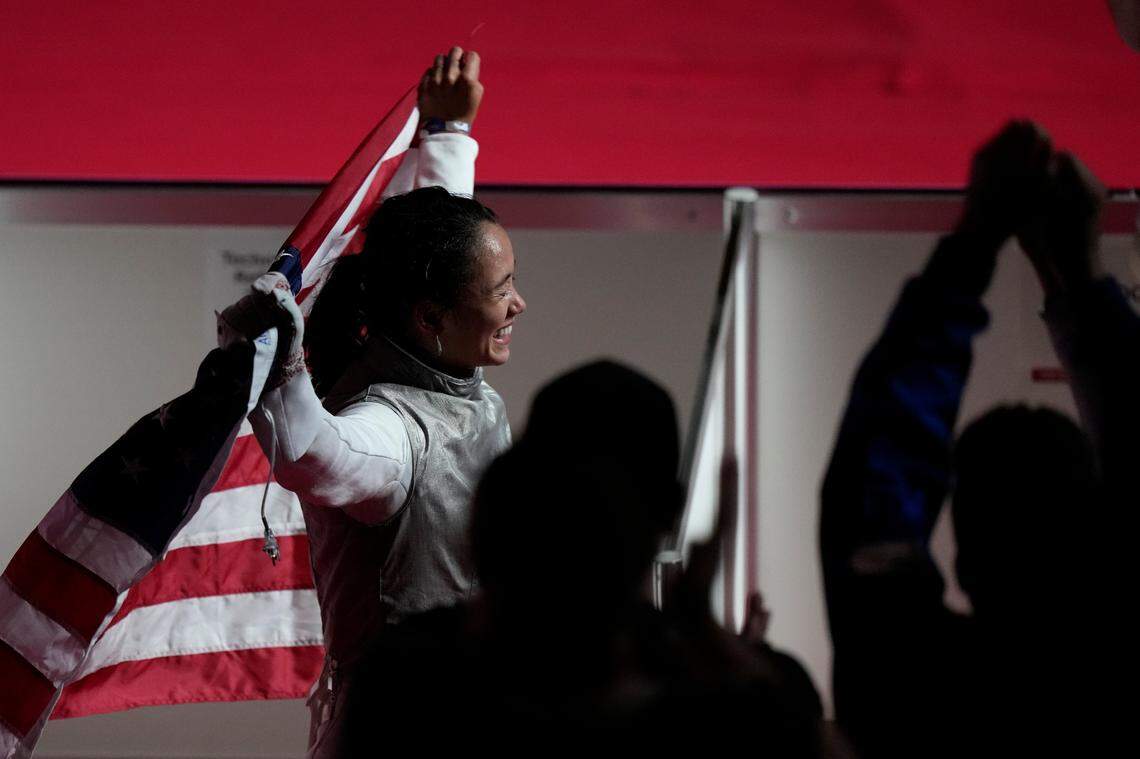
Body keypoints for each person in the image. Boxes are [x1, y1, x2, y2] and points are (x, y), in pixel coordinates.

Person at [219, 47, 527, 758]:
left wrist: (448, 137)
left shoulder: (436, 349)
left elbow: (436, 246)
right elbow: (313, 455)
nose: (518, 302)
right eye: (501, 289)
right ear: (428, 319)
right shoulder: (389, 428)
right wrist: (282, 367)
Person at [820, 121, 1126, 757]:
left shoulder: (915, 698)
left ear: (964, 561)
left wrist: (979, 241)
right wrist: (1078, 277)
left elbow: (875, 482)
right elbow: (875, 484)